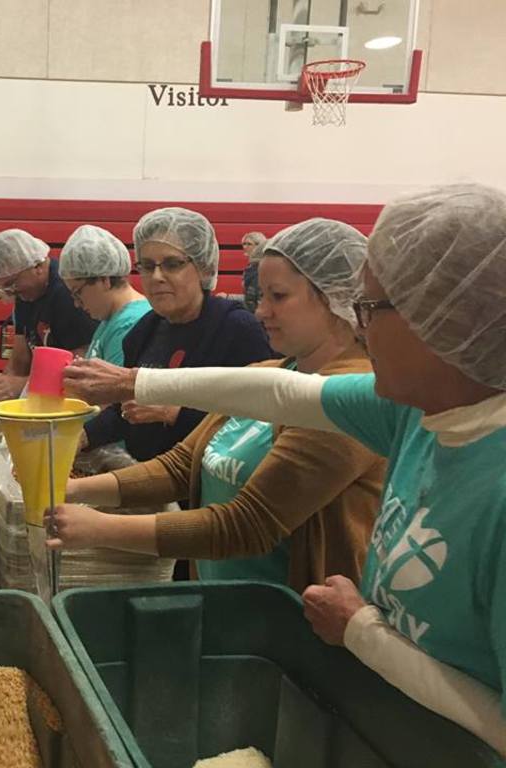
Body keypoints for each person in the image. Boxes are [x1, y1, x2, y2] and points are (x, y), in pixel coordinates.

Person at [61, 184, 506, 755]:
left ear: (446, 322)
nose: (361, 325)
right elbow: (277, 390)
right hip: (386, 728)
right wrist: (134, 382)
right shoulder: (415, 412)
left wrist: (365, 634)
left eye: (369, 308)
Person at [53, 219, 383, 594]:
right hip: (226, 601)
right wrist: (71, 491)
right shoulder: (267, 373)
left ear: (333, 299)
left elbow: (248, 524)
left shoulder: (348, 399)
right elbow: (182, 466)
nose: (261, 312)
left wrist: (96, 528)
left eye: (278, 296)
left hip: (291, 620)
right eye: (261, 297)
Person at [79, 208, 274, 463]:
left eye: (172, 264)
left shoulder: (236, 329)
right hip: (148, 482)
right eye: (147, 266)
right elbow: (124, 410)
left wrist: (173, 413)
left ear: (204, 268)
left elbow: (254, 424)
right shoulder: (143, 331)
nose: (157, 277)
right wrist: (81, 437)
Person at [0, 228, 98, 407]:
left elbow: (83, 369)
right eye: (4, 288)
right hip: (45, 394)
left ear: (37, 266)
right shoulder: (26, 295)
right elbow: (19, 360)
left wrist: (22, 385)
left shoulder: (67, 294)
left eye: (12, 283)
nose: (11, 292)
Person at [58, 224, 150, 365]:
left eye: (78, 293)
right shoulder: (110, 320)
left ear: (104, 280)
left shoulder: (130, 325)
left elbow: (112, 386)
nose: (77, 304)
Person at [240, 231, 268, 312]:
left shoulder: (261, 267)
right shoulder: (251, 267)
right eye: (244, 244)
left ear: (259, 246)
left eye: (249, 244)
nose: (245, 247)